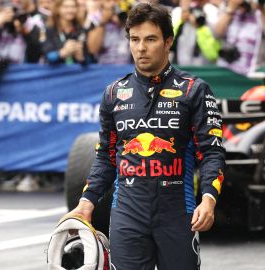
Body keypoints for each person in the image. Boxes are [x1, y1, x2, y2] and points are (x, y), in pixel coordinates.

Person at [68, 3, 226, 270]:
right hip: (128, 214)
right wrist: (86, 204)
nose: (141, 48)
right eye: (134, 39)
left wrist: (209, 199)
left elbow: (212, 152)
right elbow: (105, 158)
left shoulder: (194, 90)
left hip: (178, 213)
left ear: (168, 42)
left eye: (150, 39)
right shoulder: (113, 94)